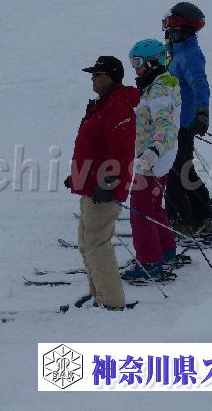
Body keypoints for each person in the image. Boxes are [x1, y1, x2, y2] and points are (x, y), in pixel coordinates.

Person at [64, 56, 139, 309]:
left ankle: (112, 302)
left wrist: (108, 182)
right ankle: (98, 294)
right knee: (86, 243)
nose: (93, 79)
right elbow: (93, 148)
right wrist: (77, 176)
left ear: (111, 77)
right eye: (92, 75)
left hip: (104, 189)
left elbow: (121, 151)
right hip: (92, 186)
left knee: (97, 243)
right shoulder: (103, 105)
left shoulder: (117, 107)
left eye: (98, 74)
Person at [120, 39, 182, 281]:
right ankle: (165, 250)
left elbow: (165, 127)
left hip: (152, 159)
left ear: (153, 62)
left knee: (140, 210)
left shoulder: (158, 90)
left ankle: (149, 262)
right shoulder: (163, 84)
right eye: (132, 63)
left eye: (138, 63)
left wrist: (153, 152)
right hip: (161, 157)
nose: (135, 69)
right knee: (153, 206)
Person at [162, 2, 212, 235]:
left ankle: (182, 220)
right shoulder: (176, 53)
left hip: (183, 124)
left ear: (186, 27)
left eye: (173, 23)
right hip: (174, 122)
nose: (168, 27)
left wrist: (202, 112)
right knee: (183, 170)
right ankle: (201, 215)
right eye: (167, 22)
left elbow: (200, 84)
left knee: (176, 173)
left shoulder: (190, 55)